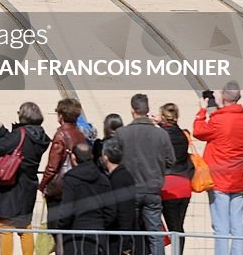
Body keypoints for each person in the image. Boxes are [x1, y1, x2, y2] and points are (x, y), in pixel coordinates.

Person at [194, 81, 243, 255]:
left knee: (220, 227)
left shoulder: (219, 120)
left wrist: (202, 111)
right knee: (237, 225)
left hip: (219, 180)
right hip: (238, 178)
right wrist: (222, 106)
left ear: (225, 97)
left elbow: (199, 131)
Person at [111, 93, 174, 255]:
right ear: (148, 110)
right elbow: (171, 160)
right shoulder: (161, 134)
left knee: (131, 231)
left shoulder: (122, 133)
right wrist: (159, 171)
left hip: (130, 190)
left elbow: (113, 159)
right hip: (153, 189)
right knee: (155, 234)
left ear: (133, 110)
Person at [0, 102, 50, 255]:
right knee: (25, 228)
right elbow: (16, 144)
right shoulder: (41, 136)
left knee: (5, 228)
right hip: (28, 186)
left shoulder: (21, 133)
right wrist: (3, 130)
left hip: (11, 186)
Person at [38, 98, 85, 248]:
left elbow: (52, 166)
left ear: (61, 115)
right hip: (76, 184)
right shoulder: (79, 134)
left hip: (59, 188)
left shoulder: (60, 135)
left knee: (57, 231)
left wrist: (43, 185)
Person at [57, 142, 116, 255]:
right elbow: (111, 211)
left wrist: (62, 226)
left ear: (73, 157)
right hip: (98, 234)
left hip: (75, 235)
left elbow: (66, 210)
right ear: (92, 157)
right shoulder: (103, 179)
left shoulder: (71, 179)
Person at [159, 103, 194, 254]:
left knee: (170, 227)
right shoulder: (183, 135)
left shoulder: (161, 135)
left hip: (168, 184)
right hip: (184, 184)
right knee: (178, 226)